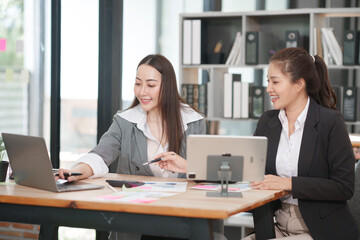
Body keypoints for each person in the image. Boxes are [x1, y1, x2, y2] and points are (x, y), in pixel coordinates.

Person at [57, 54, 216, 240]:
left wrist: (185, 165)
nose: (142, 92)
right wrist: (75, 172)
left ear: (167, 87)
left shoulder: (193, 121)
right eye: (138, 83)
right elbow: (100, 155)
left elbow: (211, 173)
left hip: (182, 219)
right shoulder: (125, 121)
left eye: (150, 85)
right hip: (138, 220)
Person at [243, 47, 359, 240]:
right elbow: (250, 169)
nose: (268, 89)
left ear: (299, 85)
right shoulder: (267, 121)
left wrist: (289, 184)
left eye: (275, 82)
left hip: (319, 230)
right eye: (268, 81)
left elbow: (344, 187)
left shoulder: (330, 122)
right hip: (277, 225)